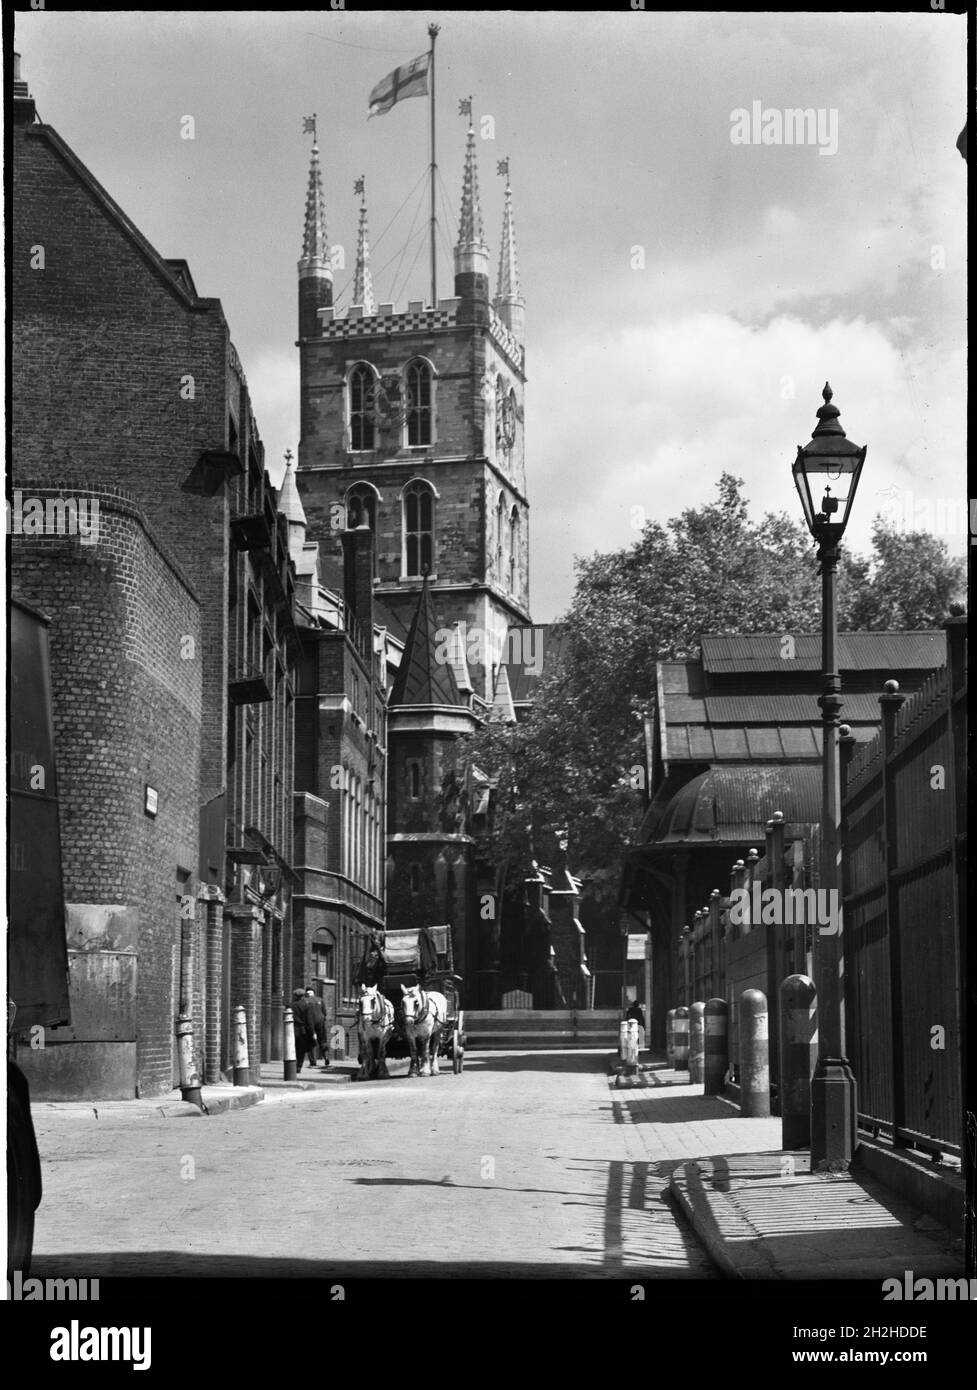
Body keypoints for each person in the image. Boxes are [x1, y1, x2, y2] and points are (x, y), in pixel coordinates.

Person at [291, 989, 315, 1073]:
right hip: (303, 1030)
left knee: (294, 1048)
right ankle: (299, 1066)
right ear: (303, 996)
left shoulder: (292, 1005)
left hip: (293, 1029)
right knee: (301, 1050)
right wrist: (312, 1032)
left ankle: (293, 1065)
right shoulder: (306, 1005)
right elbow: (309, 1020)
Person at [305, 988, 329, 1068]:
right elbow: (325, 1012)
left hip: (310, 1023)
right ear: (314, 993)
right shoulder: (320, 1000)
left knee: (311, 1042)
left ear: (307, 993)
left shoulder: (305, 1001)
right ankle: (326, 1057)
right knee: (323, 1041)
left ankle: (313, 1062)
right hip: (320, 1022)